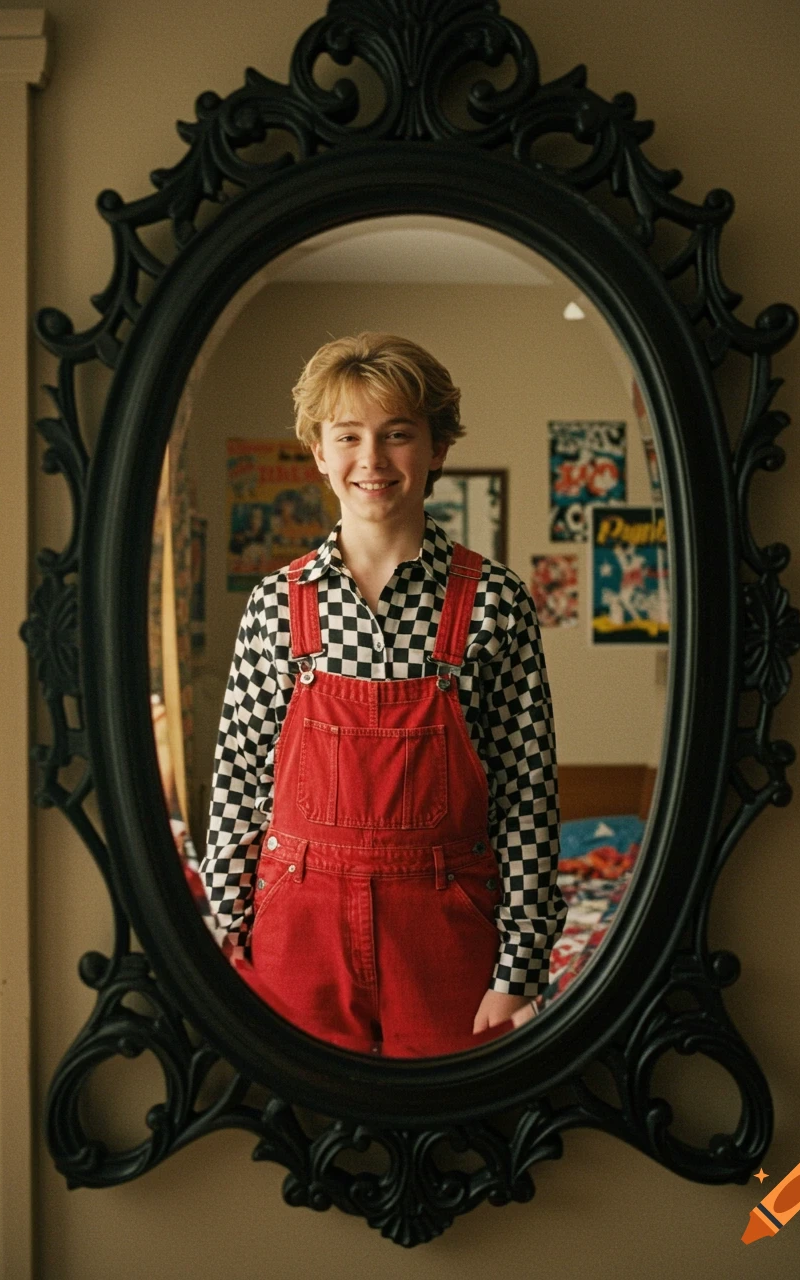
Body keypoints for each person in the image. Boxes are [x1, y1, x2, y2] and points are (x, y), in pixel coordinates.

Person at [202, 333, 566, 1057]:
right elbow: (238, 781)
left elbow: (528, 797)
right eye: (349, 436)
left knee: (453, 1143)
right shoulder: (278, 604)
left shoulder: (493, 602)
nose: (371, 459)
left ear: (436, 449)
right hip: (293, 932)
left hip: (447, 935)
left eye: (398, 434)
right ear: (320, 454)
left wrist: (518, 969)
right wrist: (221, 933)